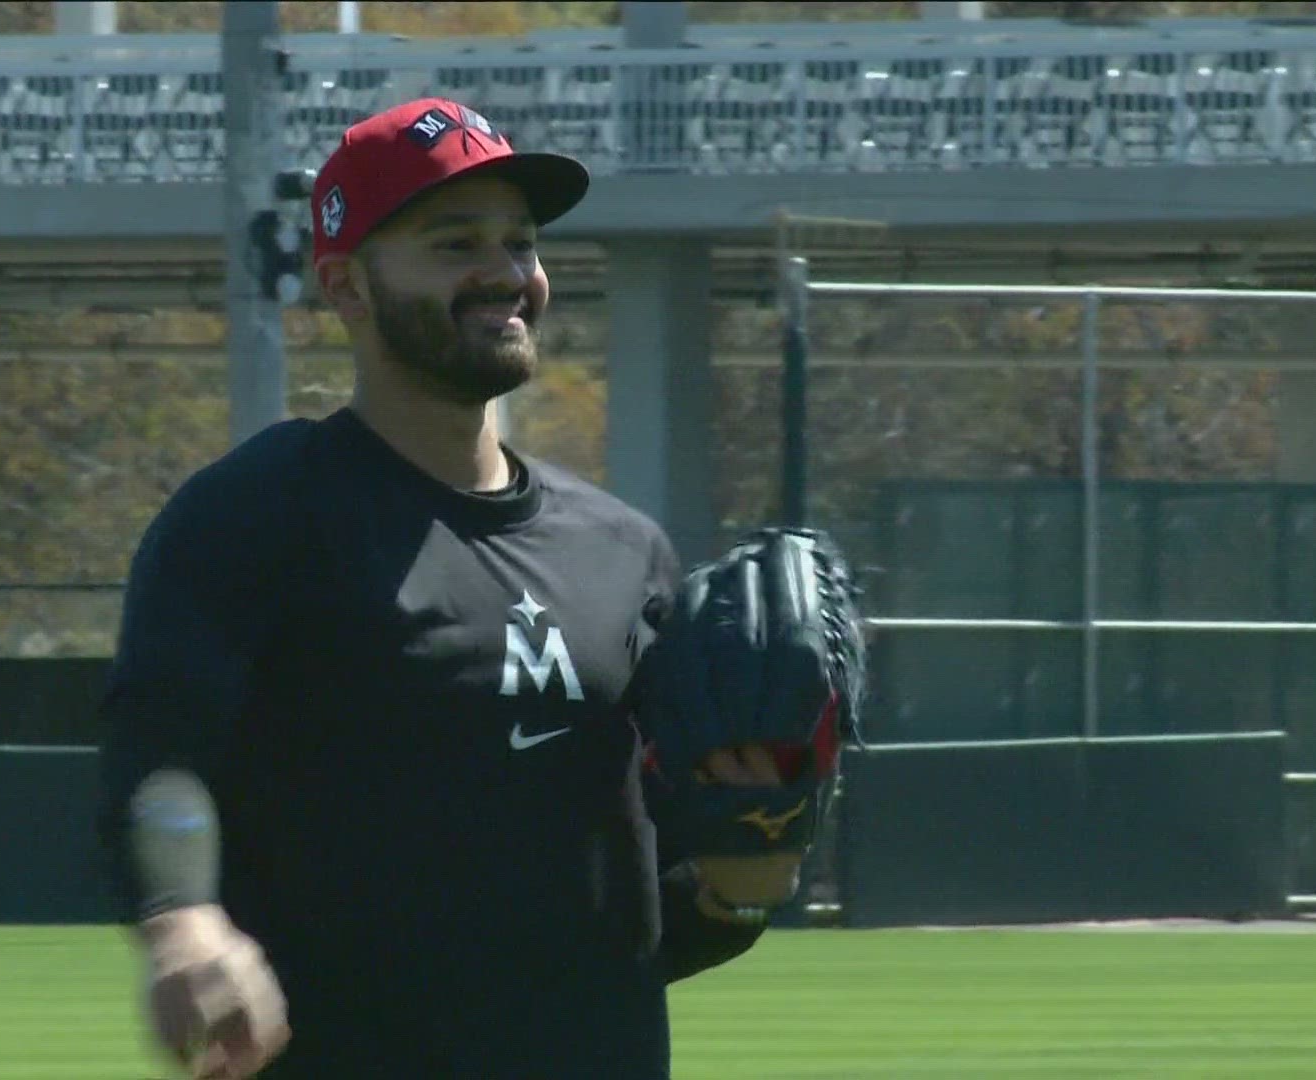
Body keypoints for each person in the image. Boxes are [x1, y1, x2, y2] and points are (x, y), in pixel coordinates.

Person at [95, 98, 804, 1080]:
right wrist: (183, 923)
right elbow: (156, 756)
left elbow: (631, 935)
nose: (507, 271)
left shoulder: (625, 553)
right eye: (455, 241)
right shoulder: (257, 516)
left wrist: (741, 889)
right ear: (345, 285)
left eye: (521, 241)